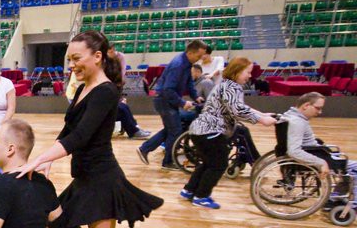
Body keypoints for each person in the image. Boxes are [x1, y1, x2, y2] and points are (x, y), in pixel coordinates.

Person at [15, 30, 164, 228]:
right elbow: (70, 129)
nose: (71, 65)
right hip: (84, 176)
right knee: (63, 224)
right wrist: (47, 161)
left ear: (97, 56)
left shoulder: (106, 91)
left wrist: (40, 159)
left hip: (102, 177)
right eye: (69, 59)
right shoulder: (84, 87)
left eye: (76, 58)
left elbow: (81, 137)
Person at [179, 57, 276, 209]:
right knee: (218, 165)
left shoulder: (226, 85)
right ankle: (201, 196)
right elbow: (237, 110)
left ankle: (189, 190)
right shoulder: (232, 87)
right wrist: (261, 119)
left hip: (200, 130)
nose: (250, 76)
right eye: (247, 72)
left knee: (208, 163)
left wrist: (262, 114)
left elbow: (240, 106)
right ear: (237, 71)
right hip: (211, 131)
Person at [136, 39, 208, 170]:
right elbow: (168, 90)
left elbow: (189, 83)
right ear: (190, 53)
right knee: (175, 131)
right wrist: (182, 103)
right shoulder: (178, 65)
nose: (199, 59)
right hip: (164, 101)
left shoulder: (187, 63)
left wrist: (196, 97)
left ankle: (144, 149)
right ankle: (167, 162)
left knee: (171, 129)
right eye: (198, 56)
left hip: (167, 100)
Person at [284, 92, 355, 199]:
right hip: (317, 156)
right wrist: (321, 163)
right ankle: (350, 203)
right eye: (318, 108)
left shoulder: (289, 115)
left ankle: (338, 196)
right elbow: (294, 151)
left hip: (317, 152)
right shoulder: (297, 122)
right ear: (306, 105)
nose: (320, 112)